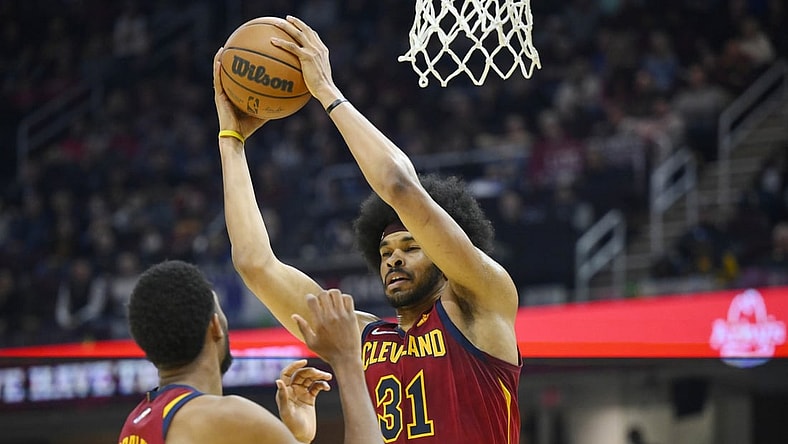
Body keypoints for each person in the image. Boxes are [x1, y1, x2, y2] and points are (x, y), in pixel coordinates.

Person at [215, 15, 521, 443]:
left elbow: (399, 186)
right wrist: (231, 140)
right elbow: (254, 263)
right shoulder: (362, 338)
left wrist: (326, 91)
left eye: (410, 246)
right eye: (385, 250)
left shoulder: (484, 303)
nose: (393, 257)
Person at [117, 260, 382, 444]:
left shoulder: (135, 424)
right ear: (215, 326)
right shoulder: (228, 416)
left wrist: (294, 437)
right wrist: (347, 360)